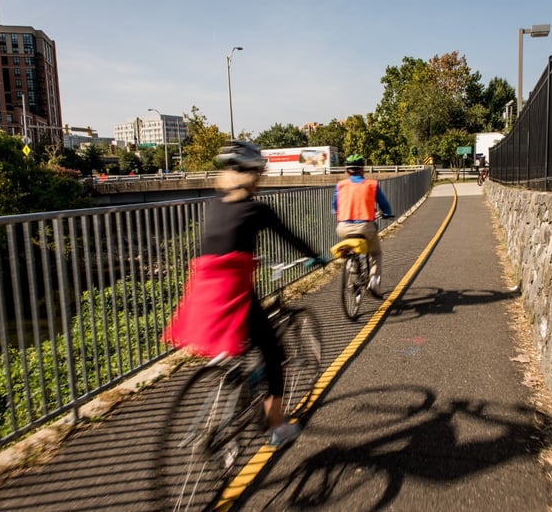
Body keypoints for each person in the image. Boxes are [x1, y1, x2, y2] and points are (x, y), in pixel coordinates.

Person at [162, 140, 323, 448]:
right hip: (232, 295)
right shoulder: (255, 208)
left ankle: (237, 386)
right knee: (276, 354)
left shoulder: (215, 204)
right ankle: (276, 425)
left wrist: (248, 259)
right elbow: (290, 237)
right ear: (254, 175)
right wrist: (317, 256)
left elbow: (219, 246)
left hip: (202, 293)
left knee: (244, 346)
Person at [332, 154, 393, 299]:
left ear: (347, 170)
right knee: (375, 253)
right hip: (365, 227)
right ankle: (373, 280)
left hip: (343, 227)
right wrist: (386, 213)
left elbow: (335, 207)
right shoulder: (371, 184)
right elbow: (384, 205)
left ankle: (353, 276)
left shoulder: (340, 186)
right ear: (363, 169)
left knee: (352, 250)